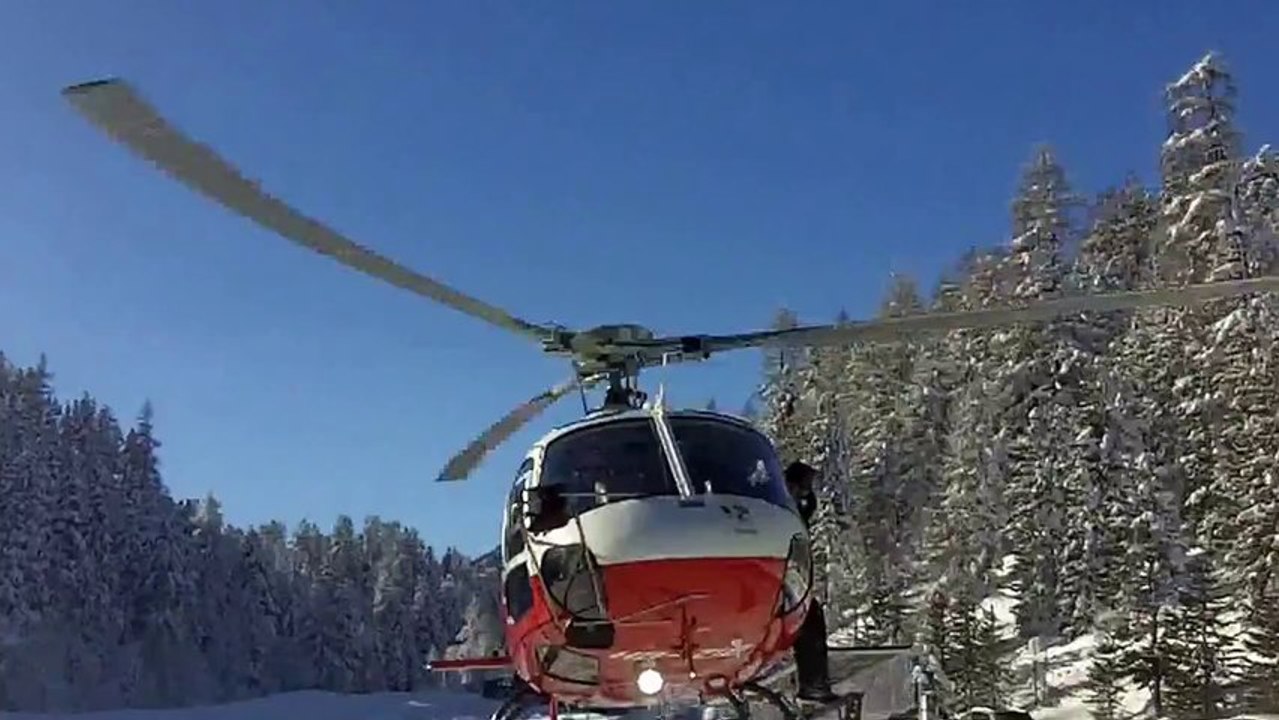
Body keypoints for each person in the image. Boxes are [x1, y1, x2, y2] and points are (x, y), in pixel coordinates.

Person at [784, 460, 838, 703]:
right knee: (807, 616)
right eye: (803, 484)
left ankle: (814, 682)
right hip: (778, 568)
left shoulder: (801, 505)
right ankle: (812, 682)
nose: (805, 490)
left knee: (809, 615)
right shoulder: (778, 504)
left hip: (790, 571)